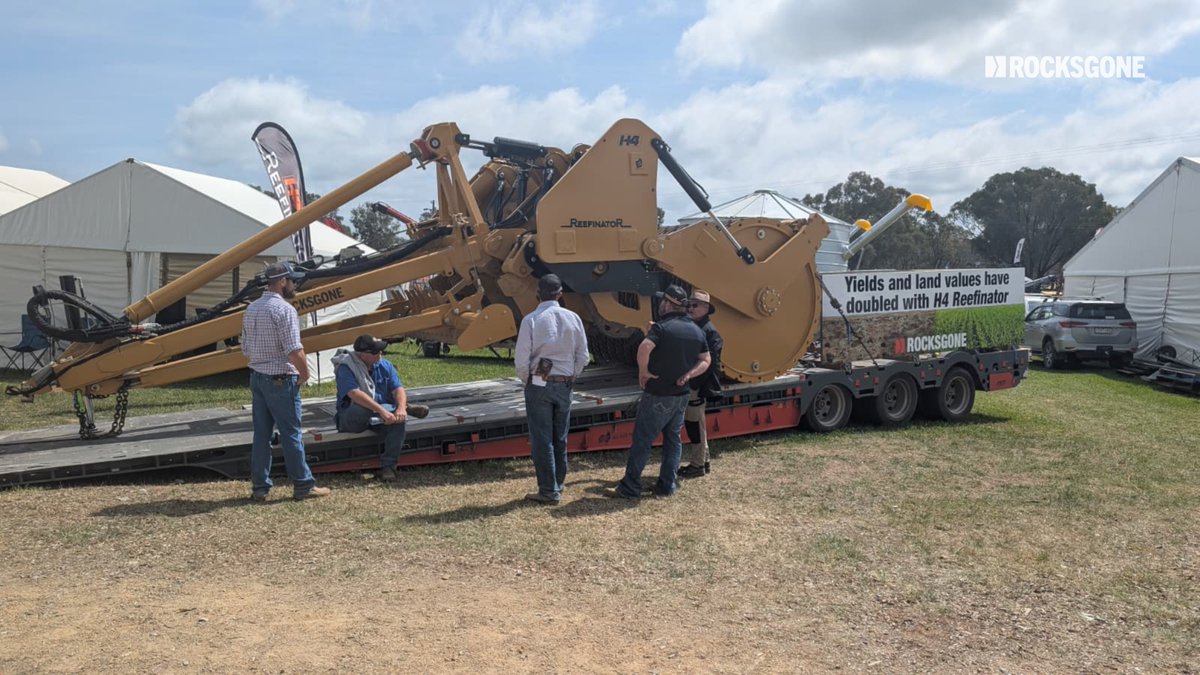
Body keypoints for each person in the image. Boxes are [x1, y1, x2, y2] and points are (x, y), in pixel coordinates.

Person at [241, 260, 330, 501]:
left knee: (261, 435)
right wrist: (305, 373)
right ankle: (303, 484)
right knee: (291, 433)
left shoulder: (252, 309)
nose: (293, 285)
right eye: (291, 281)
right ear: (282, 282)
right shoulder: (285, 310)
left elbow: (246, 348)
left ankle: (260, 487)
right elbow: (293, 349)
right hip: (280, 378)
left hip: (258, 377)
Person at [612, 285, 710, 499]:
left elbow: (645, 347)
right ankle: (667, 486)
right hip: (681, 394)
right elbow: (706, 360)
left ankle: (630, 486)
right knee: (673, 440)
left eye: (662, 302)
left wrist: (643, 372)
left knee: (642, 440)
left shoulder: (662, 328)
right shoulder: (697, 330)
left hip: (658, 393)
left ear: (667, 304)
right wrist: (689, 375)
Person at [514, 273, 589, 505]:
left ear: (538, 293)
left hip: (539, 382)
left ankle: (548, 490)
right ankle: (558, 481)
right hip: (564, 382)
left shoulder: (531, 320)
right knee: (560, 436)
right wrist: (571, 376)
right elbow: (583, 355)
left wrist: (529, 381)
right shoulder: (573, 318)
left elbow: (521, 360)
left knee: (542, 438)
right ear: (560, 294)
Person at [332, 334, 415, 482]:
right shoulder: (346, 367)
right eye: (376, 352)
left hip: (378, 415)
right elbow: (354, 394)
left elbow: (398, 389)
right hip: (352, 418)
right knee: (363, 407)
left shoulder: (385, 365)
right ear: (363, 355)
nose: (380, 354)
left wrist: (401, 409)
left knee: (399, 421)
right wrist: (383, 411)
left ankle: (389, 467)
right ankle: (396, 408)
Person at [680, 289, 723, 479]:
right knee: (698, 424)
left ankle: (697, 465)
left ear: (705, 308)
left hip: (696, 385)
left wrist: (695, 383)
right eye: (688, 305)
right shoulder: (698, 327)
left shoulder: (708, 331)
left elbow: (710, 363)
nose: (690, 308)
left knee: (694, 425)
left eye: (694, 305)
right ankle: (703, 461)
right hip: (695, 384)